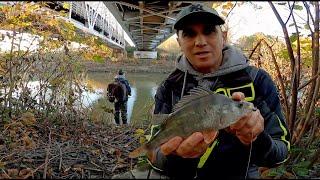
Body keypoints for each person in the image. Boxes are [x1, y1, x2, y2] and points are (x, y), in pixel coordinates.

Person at [113, 3, 290, 179]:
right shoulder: (169, 87)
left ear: (224, 36)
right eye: (189, 34)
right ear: (179, 43)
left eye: (209, 31)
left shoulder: (257, 80)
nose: (200, 42)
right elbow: (156, 160)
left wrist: (258, 138)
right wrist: (178, 157)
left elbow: (281, 154)